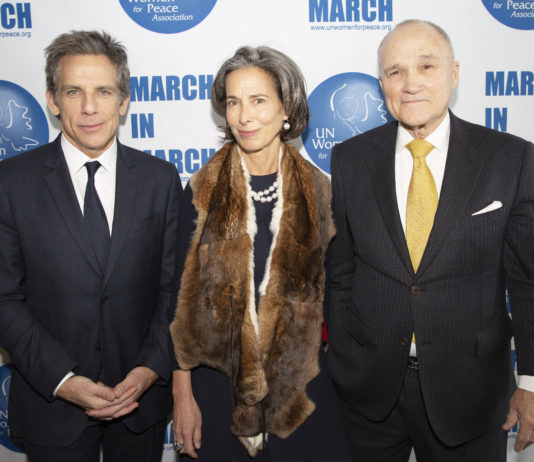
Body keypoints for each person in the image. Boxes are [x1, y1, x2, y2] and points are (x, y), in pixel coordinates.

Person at [327, 19, 534, 462]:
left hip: (472, 392)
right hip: (368, 393)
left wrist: (531, 384)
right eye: (395, 71)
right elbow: (341, 270)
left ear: (454, 74)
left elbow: (527, 282)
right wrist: (344, 357)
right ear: (382, 83)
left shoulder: (511, 158)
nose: (411, 84)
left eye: (426, 66)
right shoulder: (349, 160)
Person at [0, 30, 182, 461]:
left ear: (123, 101)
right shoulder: (11, 183)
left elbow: (176, 290)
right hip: (51, 407)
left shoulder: (160, 179)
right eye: (73, 91)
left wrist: (149, 369)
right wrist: (63, 381)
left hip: (140, 407)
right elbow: (4, 298)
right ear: (51, 99)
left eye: (103, 91)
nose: (89, 107)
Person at [169, 46, 351, 461]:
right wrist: (182, 393)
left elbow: (340, 295)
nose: (243, 115)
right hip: (216, 387)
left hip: (303, 386)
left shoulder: (321, 193)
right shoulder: (201, 190)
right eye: (233, 102)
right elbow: (175, 303)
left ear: (286, 108)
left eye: (258, 100)